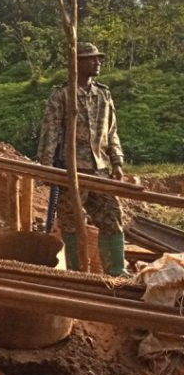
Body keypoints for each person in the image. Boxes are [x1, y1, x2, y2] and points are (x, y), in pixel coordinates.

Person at [37, 42, 127, 275]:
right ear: (76, 63)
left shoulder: (103, 94)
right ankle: (77, 275)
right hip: (70, 171)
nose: (97, 62)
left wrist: (117, 162)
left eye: (98, 58)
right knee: (71, 222)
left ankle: (116, 272)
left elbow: (111, 132)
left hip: (99, 169)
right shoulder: (62, 95)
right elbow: (50, 132)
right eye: (91, 58)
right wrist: (46, 167)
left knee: (112, 216)